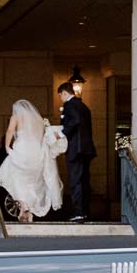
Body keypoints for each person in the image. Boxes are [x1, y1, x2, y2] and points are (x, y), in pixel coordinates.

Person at [0, 100, 61, 222]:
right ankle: (26, 211)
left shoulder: (16, 116)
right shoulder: (38, 120)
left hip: (23, 150)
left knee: (15, 177)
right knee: (32, 183)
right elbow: (42, 136)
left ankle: (24, 205)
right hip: (36, 152)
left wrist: (7, 145)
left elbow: (10, 130)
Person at [58, 83, 95, 222]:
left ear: (64, 93)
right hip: (86, 149)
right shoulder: (84, 106)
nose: (60, 98)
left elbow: (75, 120)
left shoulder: (69, 105)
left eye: (60, 95)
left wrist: (62, 134)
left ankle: (78, 212)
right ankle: (85, 211)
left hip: (76, 149)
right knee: (84, 181)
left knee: (75, 181)